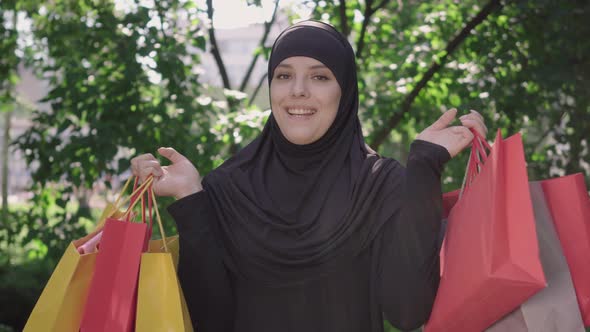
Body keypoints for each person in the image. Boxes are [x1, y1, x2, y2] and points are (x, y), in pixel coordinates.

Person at [131, 20, 487, 332]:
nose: (297, 90)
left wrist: (424, 168)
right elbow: (211, 321)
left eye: (319, 76)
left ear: (344, 92)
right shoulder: (228, 187)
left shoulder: (378, 183)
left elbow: (407, 311)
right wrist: (191, 198)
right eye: (284, 75)